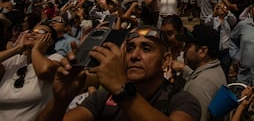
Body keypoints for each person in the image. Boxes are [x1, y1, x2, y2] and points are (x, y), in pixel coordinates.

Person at [35, 26, 201, 121]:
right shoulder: (104, 96)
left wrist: (123, 90)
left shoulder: (181, 100)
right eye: (129, 49)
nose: (135, 56)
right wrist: (60, 101)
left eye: (146, 49)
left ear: (165, 60)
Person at [0, 23, 62, 121]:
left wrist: (36, 49)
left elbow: (43, 71)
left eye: (40, 32)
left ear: (50, 41)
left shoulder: (54, 58)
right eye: (31, 31)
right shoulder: (15, 60)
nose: (32, 34)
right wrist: (17, 48)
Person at [176, 24, 227, 121]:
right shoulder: (215, 70)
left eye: (188, 46)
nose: (184, 50)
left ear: (203, 51)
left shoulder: (199, 87)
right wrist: (184, 69)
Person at [204, 2, 237, 77]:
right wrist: (213, 13)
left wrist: (227, 12)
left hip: (226, 48)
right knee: (215, 68)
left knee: (225, 67)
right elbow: (206, 23)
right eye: (219, 8)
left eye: (223, 8)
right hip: (216, 48)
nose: (221, 10)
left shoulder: (228, 19)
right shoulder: (214, 19)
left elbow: (234, 21)